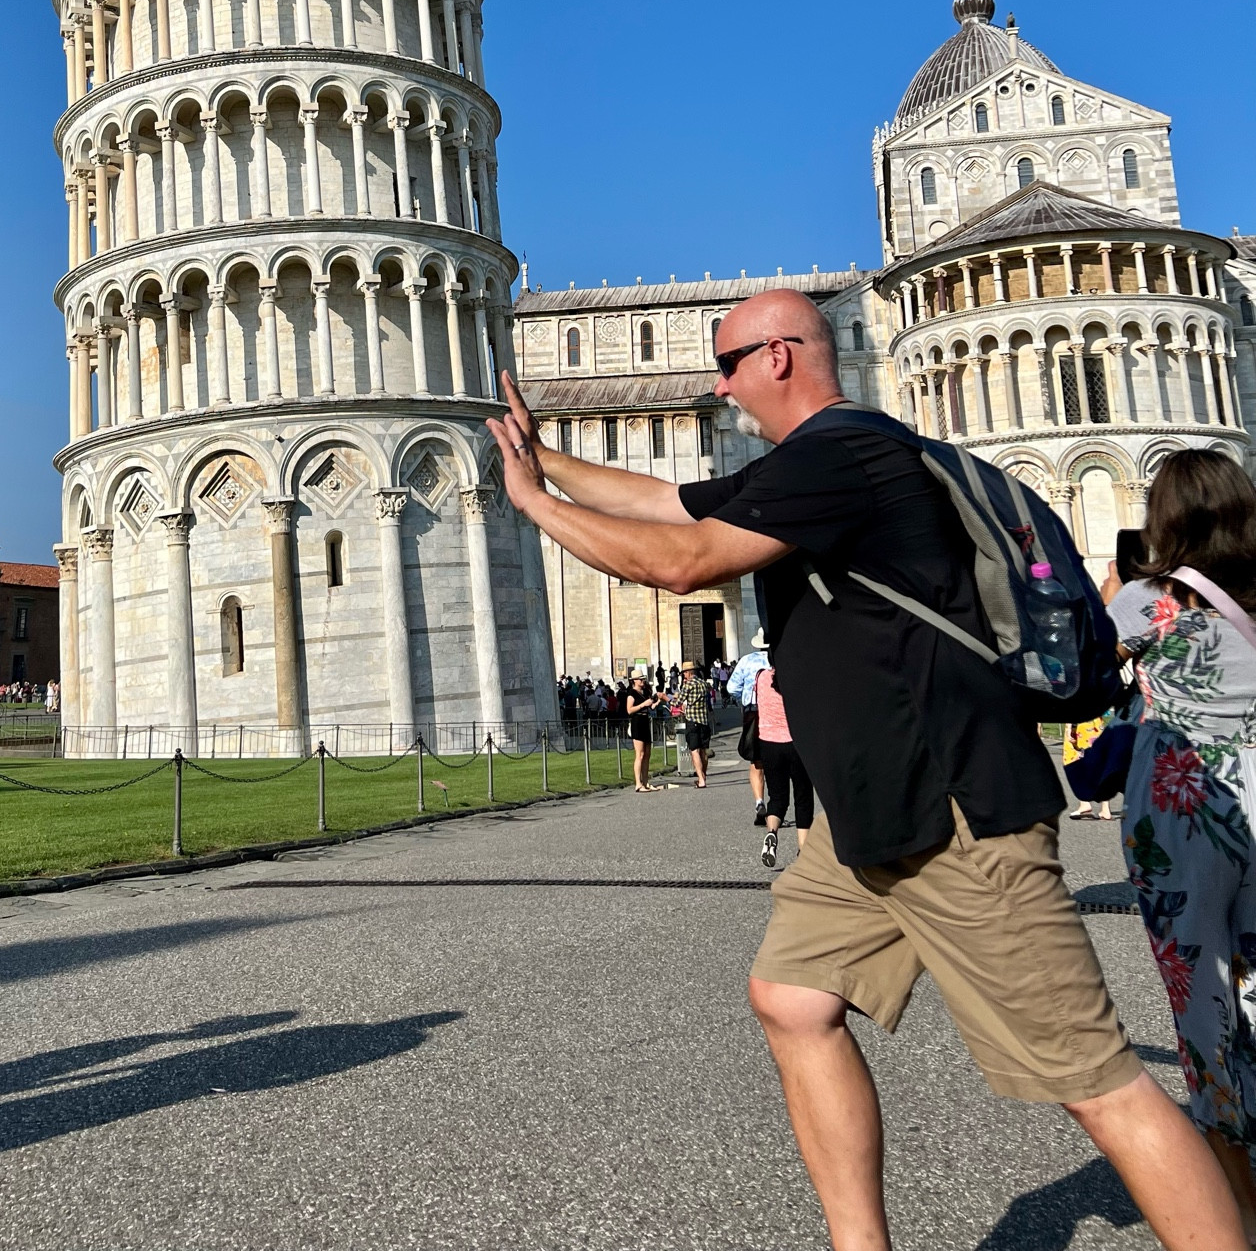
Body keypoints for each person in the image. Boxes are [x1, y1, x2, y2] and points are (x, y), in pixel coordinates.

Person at [486, 287, 1245, 1251]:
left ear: (777, 357)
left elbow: (681, 561)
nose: (720, 389)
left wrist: (532, 506)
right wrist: (543, 457)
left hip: (953, 807)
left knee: (1098, 1083)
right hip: (869, 811)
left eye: (727, 366)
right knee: (793, 999)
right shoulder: (816, 463)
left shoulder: (843, 455)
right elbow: (668, 500)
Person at [1109, 449, 1256, 1240]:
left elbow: (1076, 677)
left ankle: (1240, 1198)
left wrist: (1112, 596)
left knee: (1201, 997)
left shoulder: (1149, 600)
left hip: (1185, 808)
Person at [756, 661, 814, 868]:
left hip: (769, 742)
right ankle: (803, 848)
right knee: (803, 797)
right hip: (796, 742)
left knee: (778, 797)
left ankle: (772, 832)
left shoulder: (761, 677)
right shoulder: (798, 677)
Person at [728, 629, 771, 824]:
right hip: (776, 712)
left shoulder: (747, 660)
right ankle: (777, 807)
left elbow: (732, 688)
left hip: (752, 712)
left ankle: (759, 800)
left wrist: (744, 699)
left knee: (756, 760)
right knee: (777, 758)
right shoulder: (778, 658)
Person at [1062, 718, 1114, 821]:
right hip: (1096, 723)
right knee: (1099, 763)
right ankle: (1105, 809)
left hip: (1080, 726)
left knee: (1072, 761)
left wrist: (1069, 727)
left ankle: (1084, 803)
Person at [673, 660, 712, 788]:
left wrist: (666, 698)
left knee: (694, 750)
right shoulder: (703, 684)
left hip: (693, 720)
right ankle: (703, 776)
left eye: (684, 673)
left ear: (688, 673)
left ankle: (701, 779)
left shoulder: (688, 685)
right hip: (704, 720)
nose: (684, 676)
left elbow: (678, 703)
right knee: (703, 751)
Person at [625, 667, 659, 791]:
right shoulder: (632, 694)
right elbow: (629, 710)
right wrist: (643, 704)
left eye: (643, 679)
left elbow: (650, 707)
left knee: (647, 754)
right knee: (639, 754)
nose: (642, 681)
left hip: (645, 720)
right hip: (637, 721)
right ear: (634, 680)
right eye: (640, 679)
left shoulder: (644, 693)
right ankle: (638, 783)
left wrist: (656, 702)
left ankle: (645, 782)